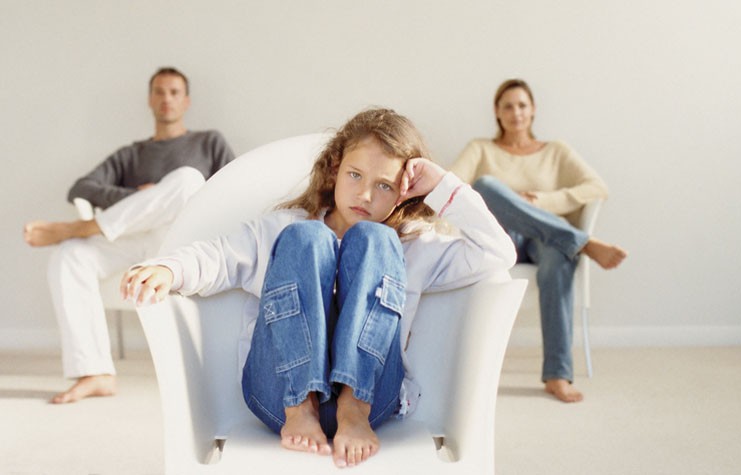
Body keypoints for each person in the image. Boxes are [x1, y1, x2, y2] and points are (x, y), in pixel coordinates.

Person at [121, 108, 516, 468]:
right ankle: (301, 405)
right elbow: (218, 257)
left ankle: (353, 406)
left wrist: (441, 185)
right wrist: (169, 268)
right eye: (355, 175)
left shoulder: (412, 247)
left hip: (372, 399)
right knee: (306, 238)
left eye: (384, 186)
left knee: (376, 239)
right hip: (279, 395)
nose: (365, 195)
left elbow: (497, 252)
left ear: (404, 194)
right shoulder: (283, 228)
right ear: (334, 170)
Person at [23, 67, 235, 404]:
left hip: (182, 243)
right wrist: (138, 196)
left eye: (174, 92)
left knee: (188, 180)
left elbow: (230, 191)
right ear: (150, 99)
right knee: (69, 255)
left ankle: (77, 229)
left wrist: (167, 193)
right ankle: (95, 373)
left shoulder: (209, 142)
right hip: (133, 239)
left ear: (186, 101)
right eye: (159, 91)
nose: (166, 99)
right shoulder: (131, 154)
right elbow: (81, 188)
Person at [449, 79, 627, 403]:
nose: (516, 112)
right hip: (501, 237)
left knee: (559, 258)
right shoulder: (481, 148)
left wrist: (541, 201)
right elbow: (452, 186)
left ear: (533, 110)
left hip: (543, 237)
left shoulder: (556, 151)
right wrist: (507, 201)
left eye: (522, 105)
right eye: (508, 106)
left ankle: (558, 375)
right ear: (497, 112)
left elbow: (596, 187)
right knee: (486, 185)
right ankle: (581, 242)